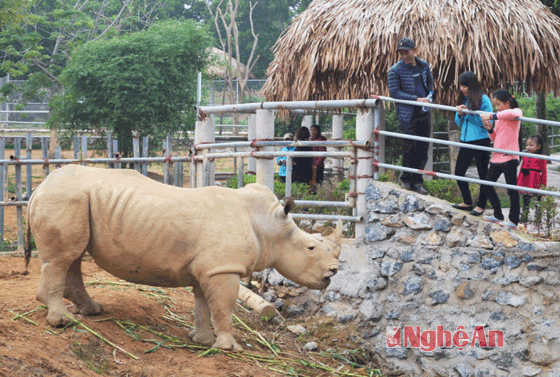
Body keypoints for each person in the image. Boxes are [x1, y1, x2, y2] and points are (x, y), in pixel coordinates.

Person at [387, 37, 434, 195]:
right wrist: (415, 99)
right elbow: (395, 93)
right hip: (408, 114)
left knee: (423, 149)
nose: (404, 56)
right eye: (401, 53)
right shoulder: (395, 70)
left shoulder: (424, 65)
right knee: (409, 147)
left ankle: (418, 181)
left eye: (406, 52)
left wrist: (429, 97)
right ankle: (406, 179)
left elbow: (430, 86)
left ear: (414, 50)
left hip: (424, 113)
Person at [452, 72, 493, 216]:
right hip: (465, 140)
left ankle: (481, 206)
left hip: (481, 140)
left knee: (483, 175)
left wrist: (471, 113)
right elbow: (459, 123)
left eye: (465, 85)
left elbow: (489, 123)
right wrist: (460, 114)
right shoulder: (465, 98)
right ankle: (468, 201)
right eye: (461, 86)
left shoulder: (484, 99)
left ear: (472, 85)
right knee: (458, 173)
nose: (462, 88)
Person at [480, 90, 522, 229]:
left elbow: (515, 113)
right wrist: (490, 129)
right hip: (497, 157)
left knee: (511, 190)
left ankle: (513, 221)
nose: (496, 108)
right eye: (495, 105)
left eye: (498, 105)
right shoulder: (499, 118)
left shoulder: (514, 113)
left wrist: (493, 115)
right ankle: (498, 214)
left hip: (510, 157)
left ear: (507, 103)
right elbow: (495, 138)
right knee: (486, 185)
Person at [518, 134, 547, 222]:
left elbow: (544, 172)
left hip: (535, 181)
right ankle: (524, 218)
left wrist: (543, 186)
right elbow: (521, 168)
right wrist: (518, 180)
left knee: (537, 201)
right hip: (525, 180)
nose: (528, 147)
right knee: (525, 199)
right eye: (527, 145)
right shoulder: (525, 155)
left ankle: (538, 219)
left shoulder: (542, 157)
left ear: (538, 146)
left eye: (531, 145)